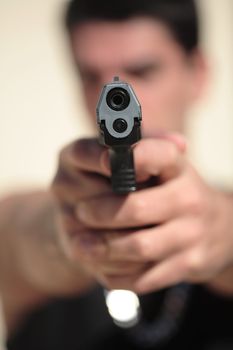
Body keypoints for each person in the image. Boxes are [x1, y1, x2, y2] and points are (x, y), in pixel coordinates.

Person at [0, 0, 233, 349]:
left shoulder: (221, 217)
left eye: (143, 70)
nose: (114, 94)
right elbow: (20, 231)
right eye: (91, 75)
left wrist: (223, 237)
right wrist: (69, 231)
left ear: (198, 73)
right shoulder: (36, 219)